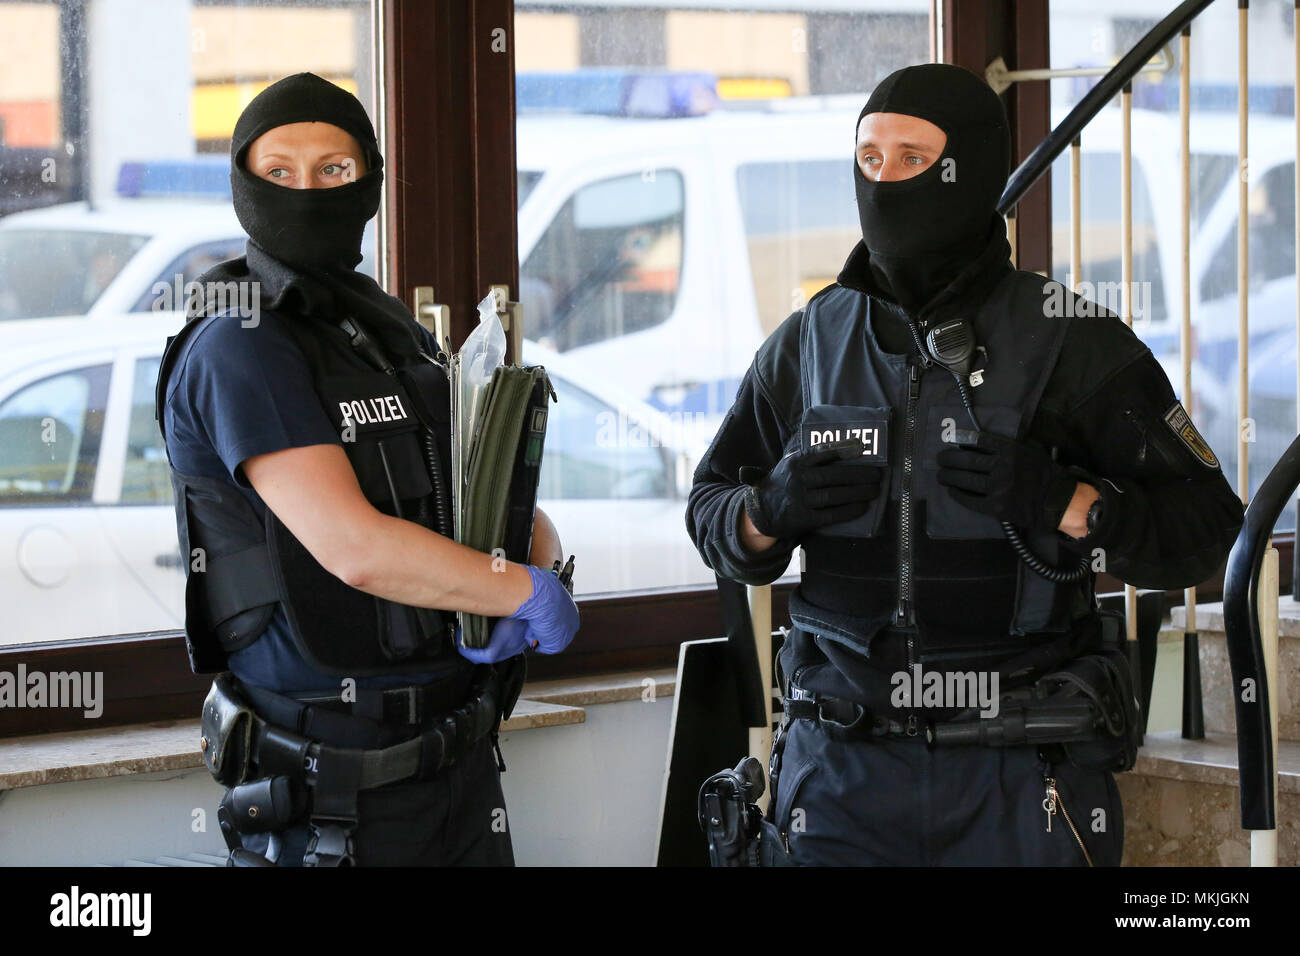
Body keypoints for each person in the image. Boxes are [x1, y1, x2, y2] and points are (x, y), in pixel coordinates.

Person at [685, 63, 1244, 866]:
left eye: (912, 158)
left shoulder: (1073, 343)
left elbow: (1211, 530)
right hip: (839, 781)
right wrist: (766, 512)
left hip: (1023, 781)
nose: (884, 181)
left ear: (971, 172)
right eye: (868, 159)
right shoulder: (810, 342)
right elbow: (709, 507)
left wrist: (1074, 505)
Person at [156, 72, 579, 867]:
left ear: (371, 183)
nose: (305, 190)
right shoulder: (242, 343)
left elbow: (478, 493)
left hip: (454, 770)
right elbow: (354, 547)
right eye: (278, 171)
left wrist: (539, 557)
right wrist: (518, 590)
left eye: (333, 170)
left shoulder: (392, 333)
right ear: (242, 183)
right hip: (330, 804)